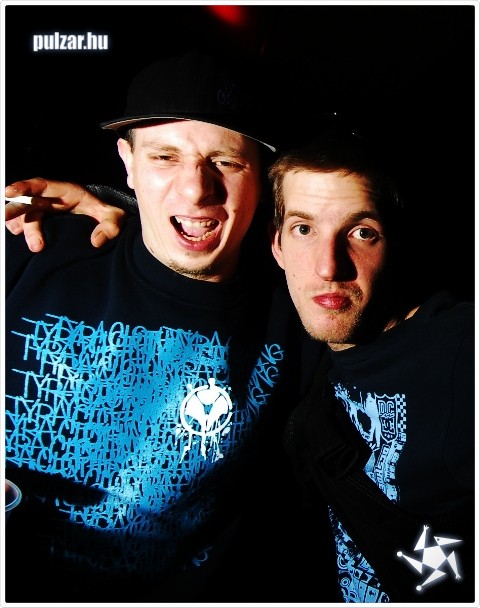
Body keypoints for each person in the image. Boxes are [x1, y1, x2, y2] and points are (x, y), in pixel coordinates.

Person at [4, 48, 332, 603]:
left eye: (226, 162)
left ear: (264, 178)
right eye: (164, 157)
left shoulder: (303, 317)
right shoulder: (31, 245)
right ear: (127, 161)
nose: (196, 189)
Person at [267, 126, 475, 603]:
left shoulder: (460, 350)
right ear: (277, 247)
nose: (328, 267)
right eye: (304, 229)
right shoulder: (299, 347)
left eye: (362, 232)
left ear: (396, 242)